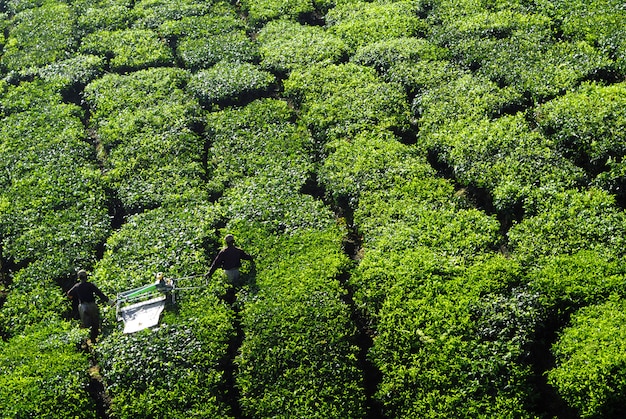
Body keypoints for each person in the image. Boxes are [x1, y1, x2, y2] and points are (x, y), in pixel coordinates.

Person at [67, 270, 111, 342]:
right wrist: (109, 302)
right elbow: (100, 294)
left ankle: (88, 341)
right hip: (92, 305)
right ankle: (95, 339)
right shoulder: (90, 285)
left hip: (83, 306)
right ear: (86, 277)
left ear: (79, 278)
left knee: (86, 324)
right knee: (95, 322)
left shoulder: (77, 286)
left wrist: (75, 298)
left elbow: (69, 294)